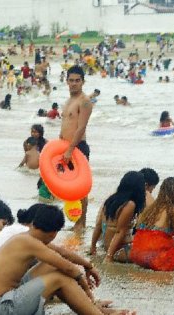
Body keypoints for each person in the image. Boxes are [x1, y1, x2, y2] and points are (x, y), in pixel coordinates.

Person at [0, 205, 109, 315]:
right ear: (53, 233)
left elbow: (62, 254)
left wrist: (88, 266)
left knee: (52, 267)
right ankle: (94, 310)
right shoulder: (29, 242)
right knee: (59, 278)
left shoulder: (27, 236)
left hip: (2, 300)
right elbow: (67, 267)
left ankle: (90, 308)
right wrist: (86, 288)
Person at [60, 65, 94, 232]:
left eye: (77, 81)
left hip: (78, 147)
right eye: (71, 80)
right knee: (69, 186)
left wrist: (70, 149)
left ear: (83, 82)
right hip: (65, 146)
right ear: (66, 81)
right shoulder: (68, 101)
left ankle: (81, 222)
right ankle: (75, 220)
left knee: (81, 188)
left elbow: (81, 128)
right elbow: (65, 124)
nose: (74, 84)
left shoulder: (85, 101)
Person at [90, 171, 146, 263]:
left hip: (107, 247)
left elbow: (99, 226)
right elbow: (120, 231)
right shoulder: (129, 204)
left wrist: (92, 247)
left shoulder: (110, 200)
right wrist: (109, 257)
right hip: (121, 250)